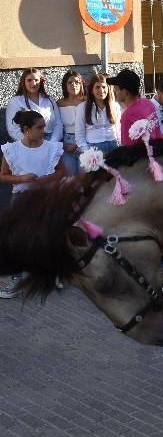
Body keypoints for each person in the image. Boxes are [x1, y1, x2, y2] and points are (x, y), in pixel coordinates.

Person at [0, 110, 67, 298]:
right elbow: (3, 175)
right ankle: (16, 279)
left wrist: (47, 180)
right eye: (39, 127)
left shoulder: (51, 148)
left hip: (45, 197)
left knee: (48, 236)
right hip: (21, 199)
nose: (44, 131)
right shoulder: (11, 150)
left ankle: (51, 274)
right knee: (16, 239)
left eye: (44, 126)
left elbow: (63, 171)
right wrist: (21, 178)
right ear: (26, 130)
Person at [5, 69, 63, 143]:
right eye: (29, 80)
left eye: (36, 80)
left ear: (40, 82)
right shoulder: (15, 102)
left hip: (51, 140)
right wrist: (34, 143)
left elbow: (58, 123)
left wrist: (52, 142)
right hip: (27, 143)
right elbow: (13, 129)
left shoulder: (49, 100)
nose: (33, 83)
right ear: (23, 82)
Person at [106, 69, 161, 146]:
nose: (114, 91)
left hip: (142, 156)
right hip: (157, 152)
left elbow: (127, 147)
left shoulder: (127, 116)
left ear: (125, 91)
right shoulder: (148, 103)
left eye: (116, 88)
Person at [75, 73, 121, 156]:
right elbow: (79, 134)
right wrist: (88, 152)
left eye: (104, 87)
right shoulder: (82, 107)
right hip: (93, 148)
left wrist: (120, 148)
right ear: (91, 90)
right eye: (97, 87)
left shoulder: (115, 106)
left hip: (113, 146)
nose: (101, 90)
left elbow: (119, 130)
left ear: (108, 89)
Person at [57, 70, 86, 176]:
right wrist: (63, 145)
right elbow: (57, 126)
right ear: (65, 85)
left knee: (84, 177)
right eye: (70, 82)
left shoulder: (87, 102)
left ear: (81, 84)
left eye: (77, 82)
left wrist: (78, 144)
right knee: (70, 176)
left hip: (85, 141)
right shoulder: (59, 103)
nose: (73, 85)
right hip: (67, 144)